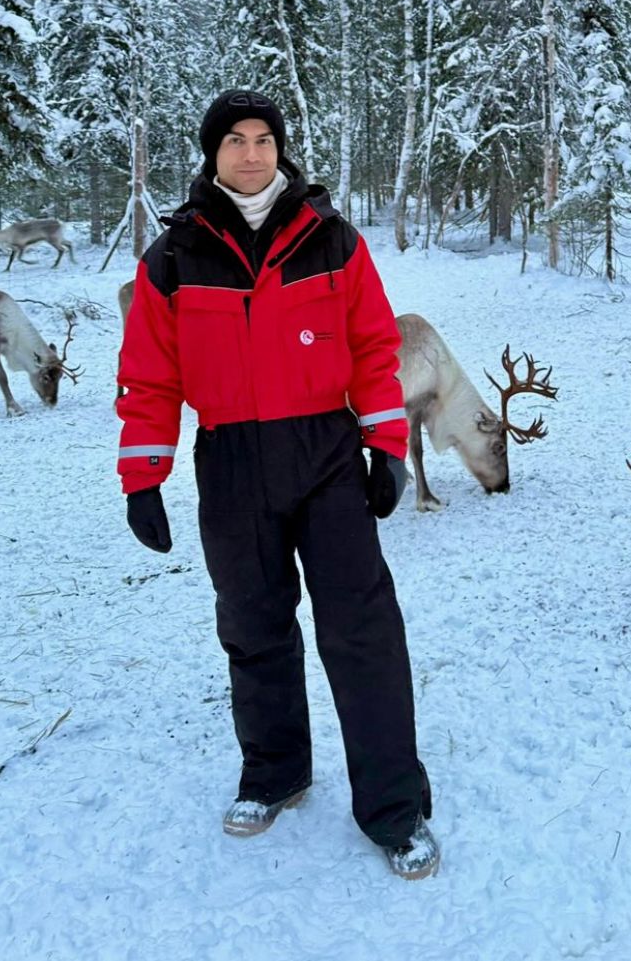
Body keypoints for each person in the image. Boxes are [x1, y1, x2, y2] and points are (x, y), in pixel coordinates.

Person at [116, 90, 439, 880]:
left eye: (264, 138)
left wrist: (387, 445)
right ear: (212, 153)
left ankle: (395, 807)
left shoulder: (332, 240)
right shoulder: (173, 256)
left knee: (361, 630)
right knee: (253, 625)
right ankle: (276, 770)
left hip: (325, 453)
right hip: (229, 460)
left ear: (282, 150)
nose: (252, 153)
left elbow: (372, 347)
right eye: (235, 139)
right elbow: (149, 374)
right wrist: (142, 473)